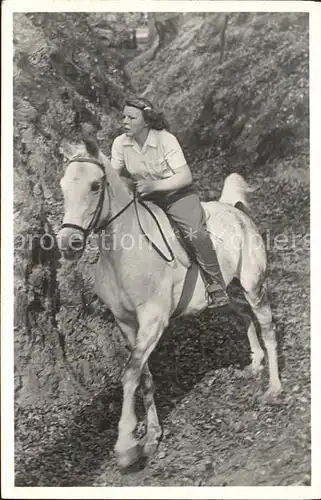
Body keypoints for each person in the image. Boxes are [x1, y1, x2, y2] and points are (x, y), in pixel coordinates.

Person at [111, 96, 242, 308]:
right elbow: (114, 176)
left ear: (146, 121)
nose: (125, 121)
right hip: (146, 199)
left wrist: (154, 186)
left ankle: (216, 284)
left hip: (177, 196)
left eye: (131, 117)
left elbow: (185, 176)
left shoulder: (165, 140)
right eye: (123, 116)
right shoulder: (120, 143)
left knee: (195, 233)